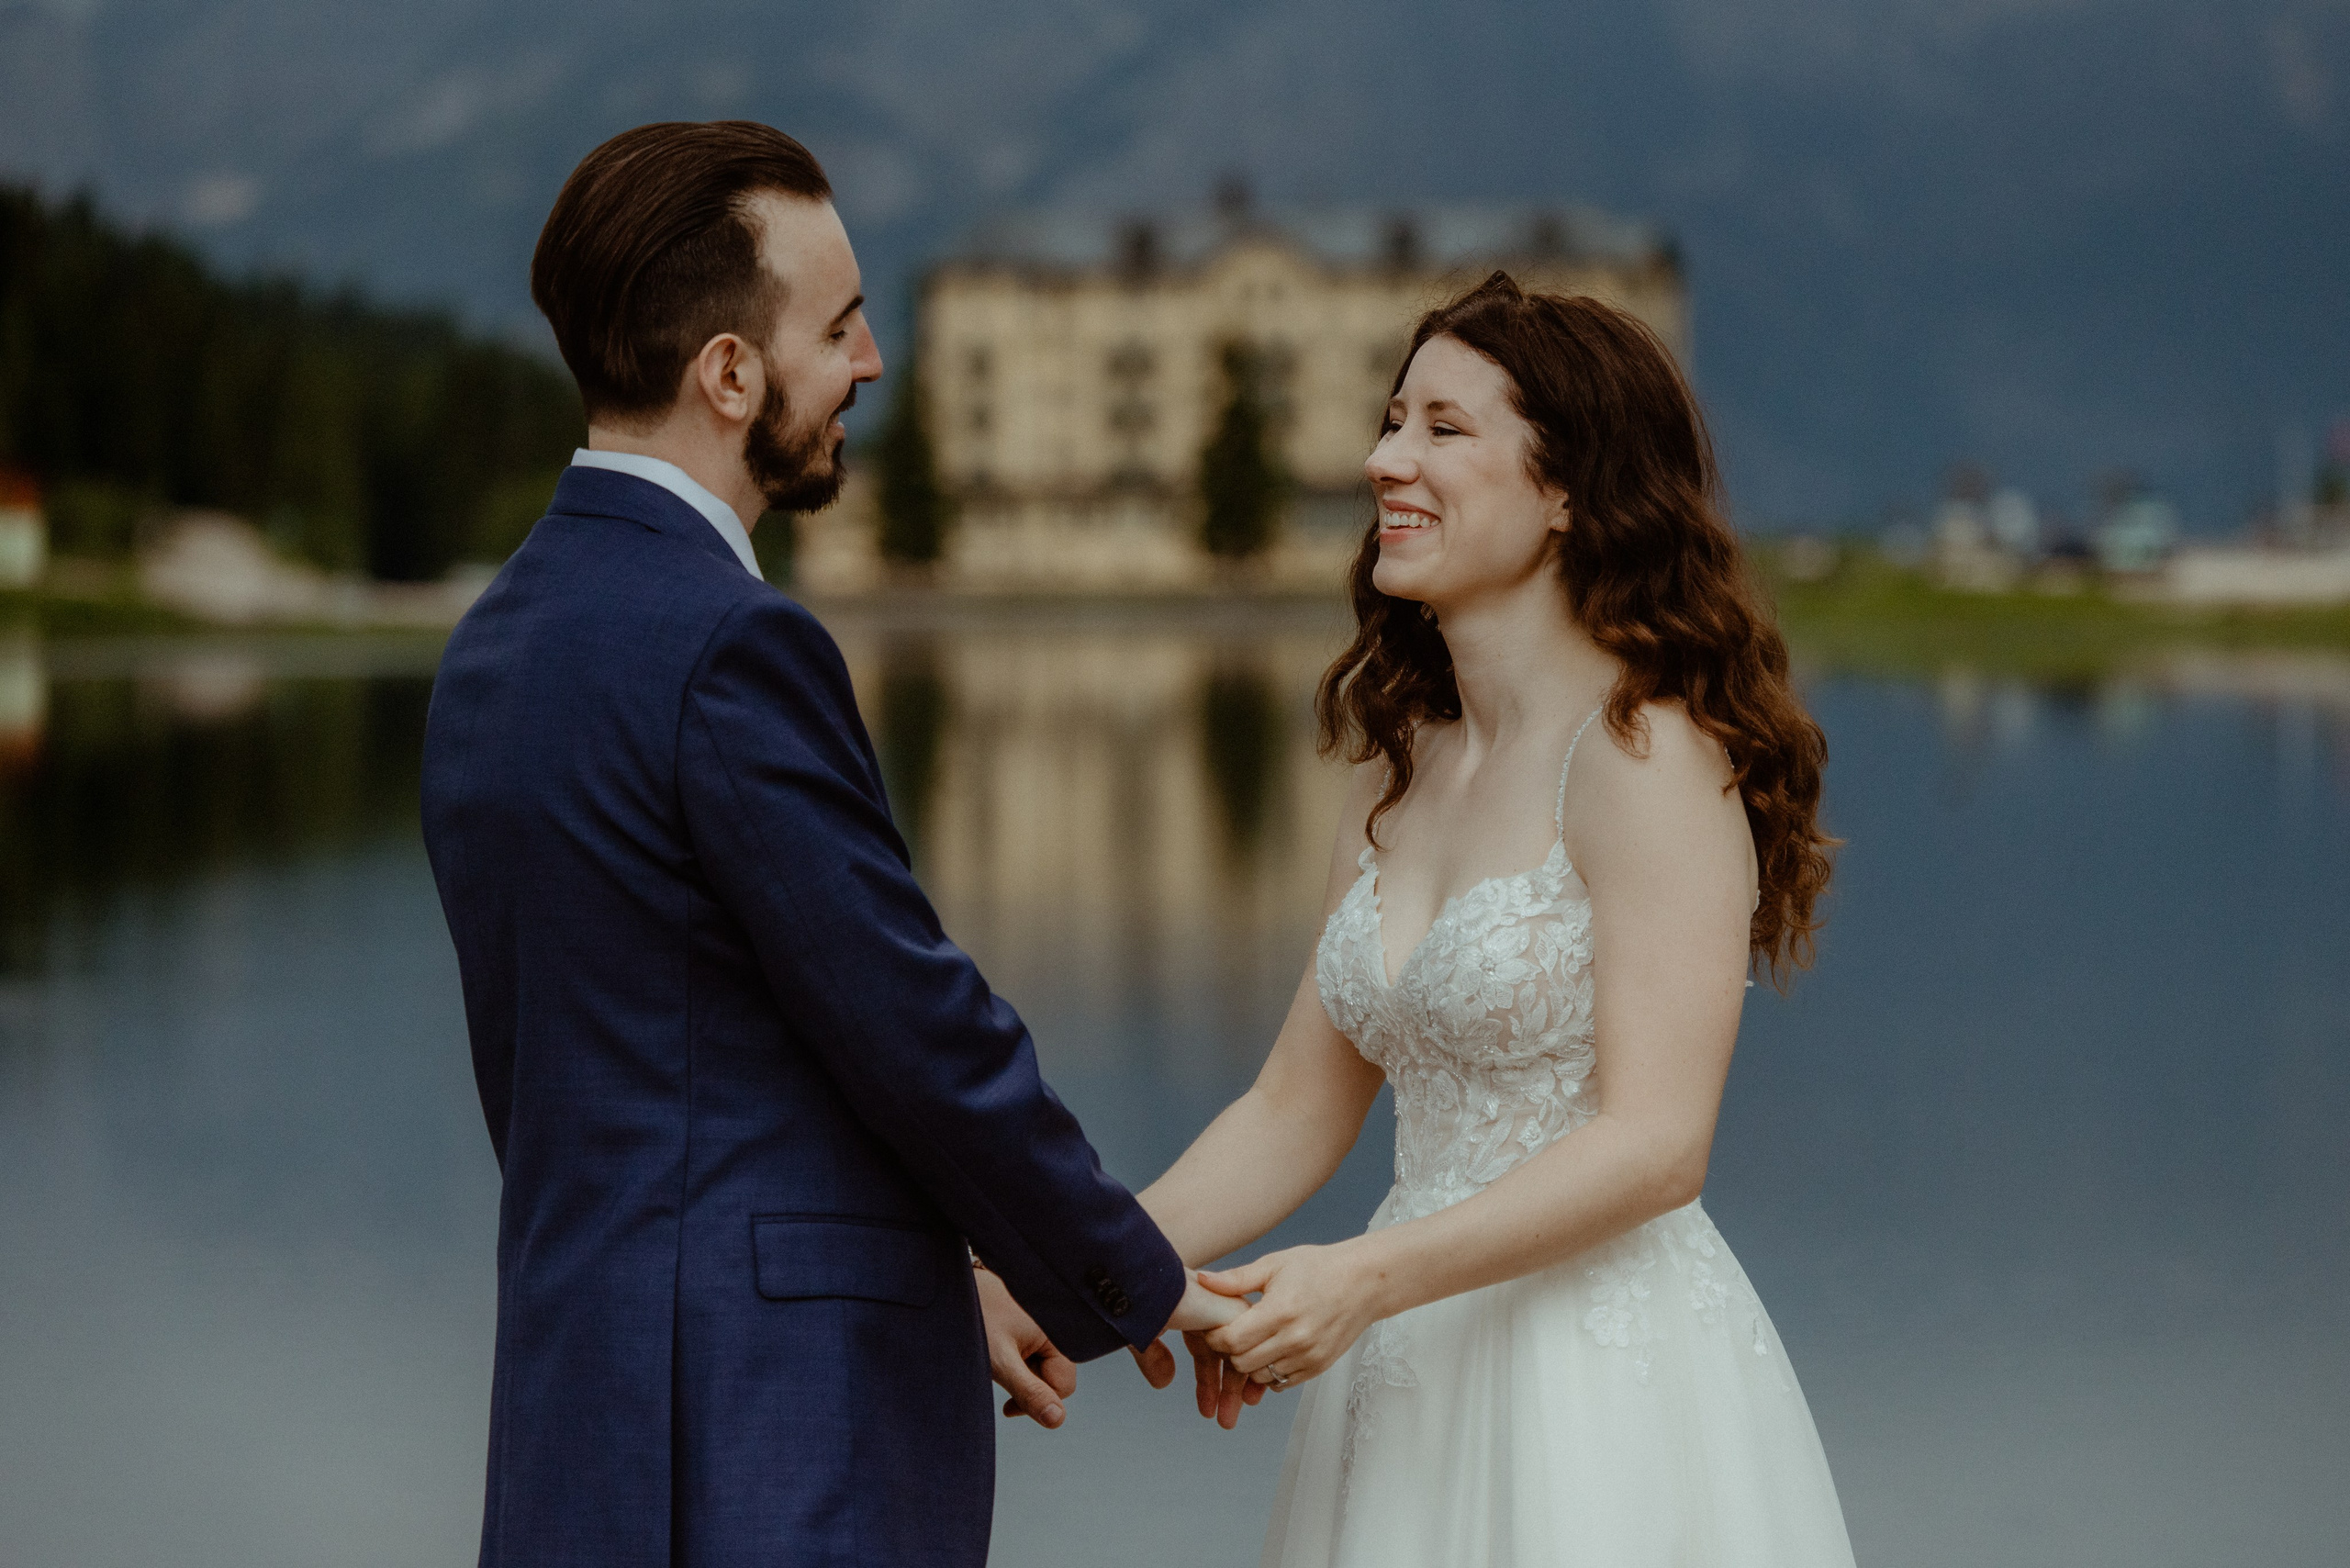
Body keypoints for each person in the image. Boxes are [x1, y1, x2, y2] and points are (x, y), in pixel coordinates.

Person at [420, 121, 1235, 1568]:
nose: (870, 364)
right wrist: (1136, 1279)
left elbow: (596, 1073)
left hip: (579, 1406)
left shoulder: (497, 646)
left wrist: (936, 1278)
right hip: (764, 1432)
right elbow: (911, 1021)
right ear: (730, 374)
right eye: (842, 327)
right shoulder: (733, 646)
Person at [1143, 274, 1856, 1565]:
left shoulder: (1649, 758)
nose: (1383, 460)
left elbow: (1656, 1144)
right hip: (1408, 1364)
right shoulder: (1397, 766)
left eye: (1442, 429)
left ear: (1569, 488)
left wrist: (1362, 1279)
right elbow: (1296, 1109)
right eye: (1391, 420)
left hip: (1589, 1383)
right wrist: (1090, 1260)